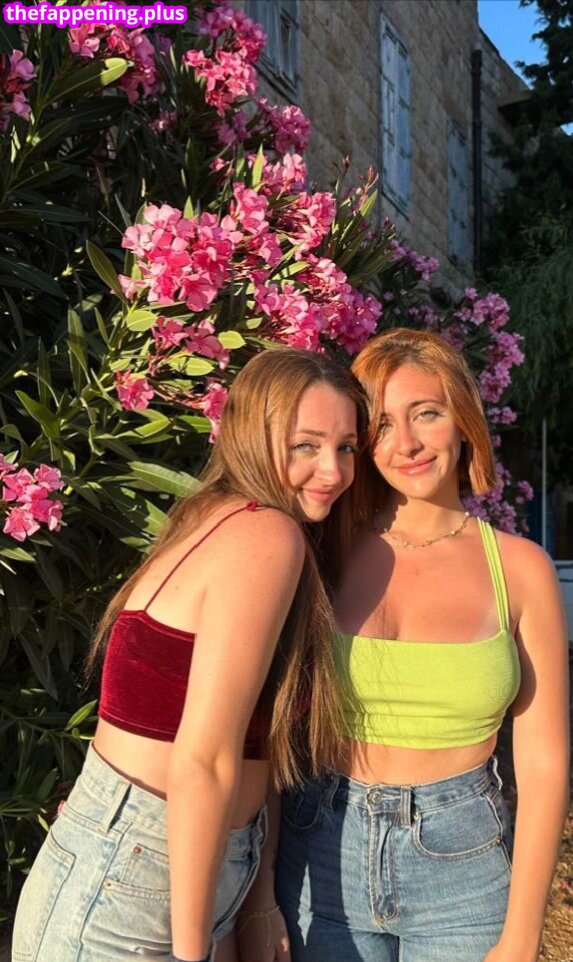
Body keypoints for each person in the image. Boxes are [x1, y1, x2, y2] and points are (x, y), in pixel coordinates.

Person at [12, 347, 367, 962]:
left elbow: (255, 743)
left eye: (347, 447)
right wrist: (193, 952)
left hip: (170, 862)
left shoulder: (211, 517)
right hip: (142, 871)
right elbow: (204, 760)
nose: (332, 471)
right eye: (305, 445)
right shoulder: (265, 536)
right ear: (254, 437)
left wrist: (256, 898)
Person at [275, 328, 570, 962]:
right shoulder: (320, 552)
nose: (405, 443)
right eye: (382, 425)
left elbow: (544, 762)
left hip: (463, 869)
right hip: (319, 852)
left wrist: (523, 934)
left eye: (426, 413)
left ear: (462, 420)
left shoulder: (521, 569)